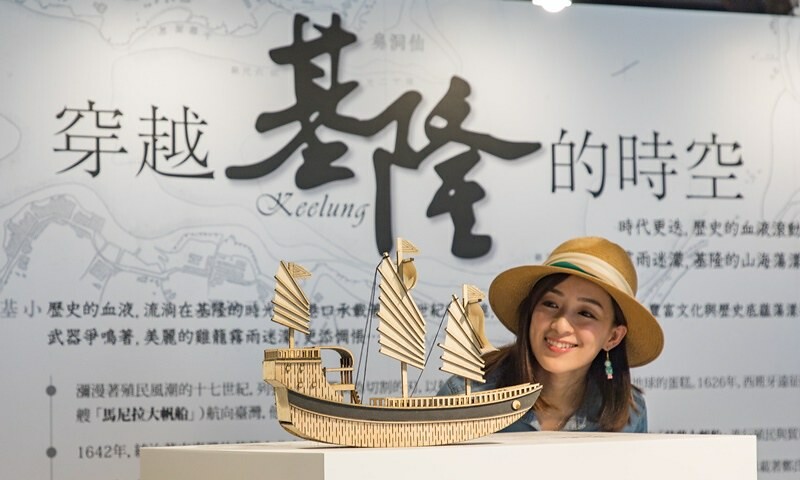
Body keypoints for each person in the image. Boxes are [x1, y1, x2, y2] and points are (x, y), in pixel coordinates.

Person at [438, 236, 664, 432]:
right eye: (550, 304)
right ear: (530, 311)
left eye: (586, 313)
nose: (561, 325)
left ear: (613, 337)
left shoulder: (629, 414)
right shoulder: (467, 396)